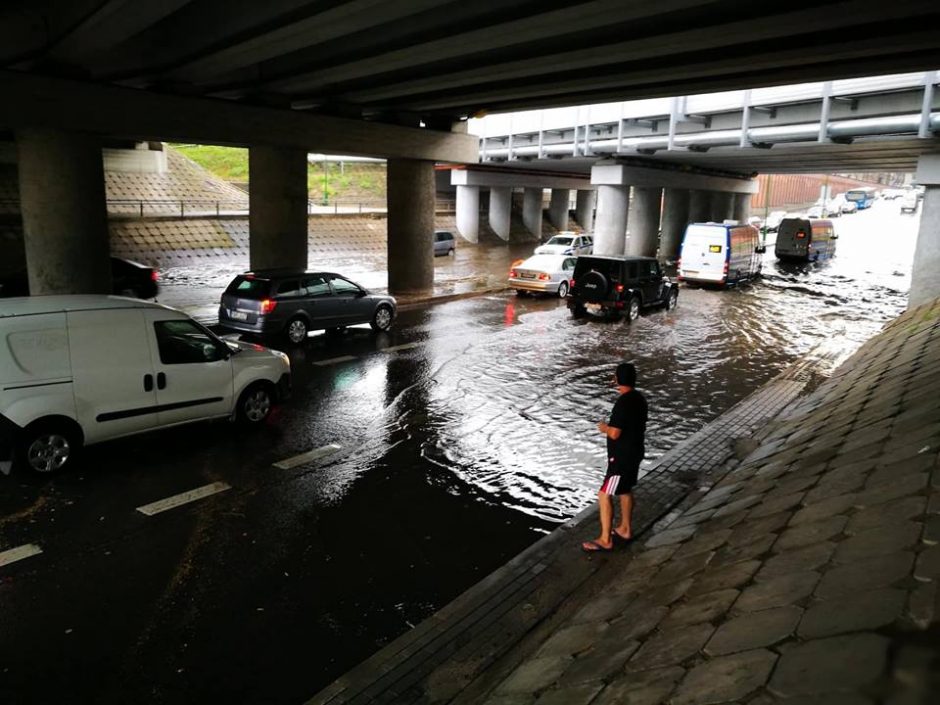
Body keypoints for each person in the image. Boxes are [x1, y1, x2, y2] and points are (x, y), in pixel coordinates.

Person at [582, 362, 647, 552]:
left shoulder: (623, 403)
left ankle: (605, 539)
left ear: (617, 379)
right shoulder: (639, 398)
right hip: (635, 452)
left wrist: (604, 428)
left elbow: (615, 433)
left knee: (604, 494)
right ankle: (625, 529)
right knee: (625, 490)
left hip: (621, 459)